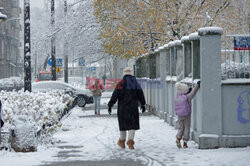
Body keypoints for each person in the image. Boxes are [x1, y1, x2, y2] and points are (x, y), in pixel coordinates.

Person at [108, 67, 146, 150]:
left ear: (124, 74)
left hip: (122, 108)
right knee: (132, 124)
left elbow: (115, 95)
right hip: (133, 108)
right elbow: (141, 94)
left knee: (123, 125)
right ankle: (130, 142)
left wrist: (110, 105)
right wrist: (143, 104)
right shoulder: (135, 83)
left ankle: (122, 141)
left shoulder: (120, 83)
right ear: (131, 73)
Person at [174, 81, 200, 148]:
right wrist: (197, 85)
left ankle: (178, 138)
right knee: (186, 128)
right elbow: (193, 92)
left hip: (179, 115)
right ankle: (185, 143)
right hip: (187, 115)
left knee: (181, 127)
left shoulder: (177, 96)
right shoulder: (188, 97)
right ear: (185, 90)